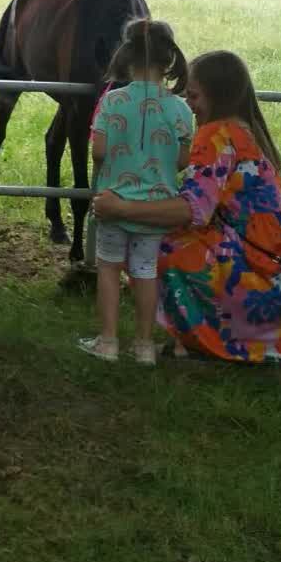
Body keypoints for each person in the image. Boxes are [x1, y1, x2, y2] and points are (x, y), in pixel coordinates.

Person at [92, 51, 281, 362]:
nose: (189, 104)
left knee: (153, 247)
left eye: (194, 95)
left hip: (260, 278)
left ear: (217, 95)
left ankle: (199, 338)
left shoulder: (216, 136)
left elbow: (192, 211)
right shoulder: (246, 130)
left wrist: (122, 209)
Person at [78, 19, 192, 365]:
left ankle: (108, 340)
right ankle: (144, 345)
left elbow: (98, 151)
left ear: (125, 58)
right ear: (168, 62)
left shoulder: (112, 102)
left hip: (112, 203)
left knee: (109, 269)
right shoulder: (181, 108)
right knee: (145, 272)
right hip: (156, 207)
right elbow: (183, 160)